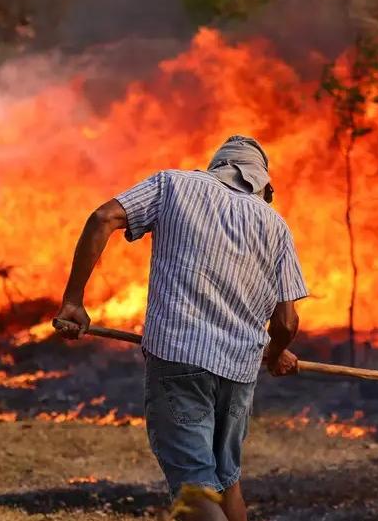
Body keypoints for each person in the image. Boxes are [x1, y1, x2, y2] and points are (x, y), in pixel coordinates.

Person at [53, 135, 308, 521]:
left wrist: (73, 301)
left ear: (217, 167)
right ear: (261, 182)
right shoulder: (276, 226)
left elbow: (104, 218)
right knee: (227, 483)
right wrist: (274, 354)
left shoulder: (174, 185)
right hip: (239, 372)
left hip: (179, 358)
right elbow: (287, 322)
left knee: (195, 485)